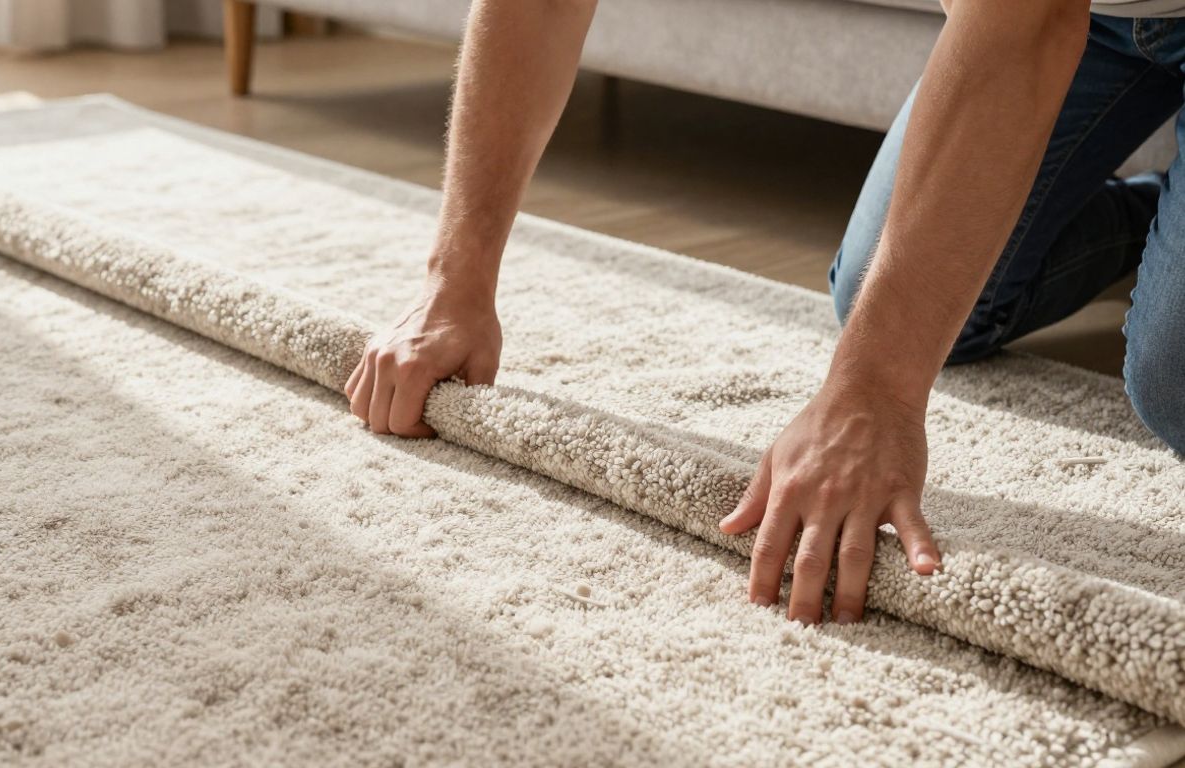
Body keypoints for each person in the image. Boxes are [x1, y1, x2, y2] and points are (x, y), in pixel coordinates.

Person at [344, 0, 1185, 626]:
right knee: (886, 297)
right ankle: (1159, 224)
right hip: (1103, 20)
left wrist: (873, 394)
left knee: (1171, 377)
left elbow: (1026, 27)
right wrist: (456, 279)